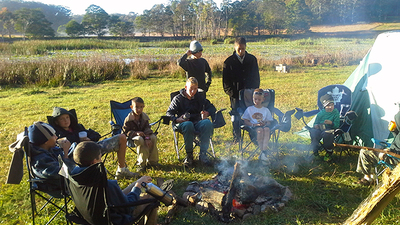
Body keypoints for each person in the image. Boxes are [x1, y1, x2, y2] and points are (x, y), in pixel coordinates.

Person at [71, 141, 158, 225]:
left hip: (90, 219)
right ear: (94, 162)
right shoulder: (106, 185)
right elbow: (128, 207)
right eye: (100, 157)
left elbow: (115, 198)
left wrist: (136, 183)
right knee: (151, 197)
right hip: (114, 220)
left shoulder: (74, 179)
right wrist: (137, 187)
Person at [47, 107, 137, 179]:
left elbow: (96, 135)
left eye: (67, 117)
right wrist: (79, 143)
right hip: (78, 156)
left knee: (121, 137)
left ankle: (122, 170)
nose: (66, 120)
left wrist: (89, 139)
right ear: (56, 122)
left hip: (93, 148)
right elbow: (65, 151)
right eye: (62, 119)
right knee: (100, 170)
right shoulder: (57, 135)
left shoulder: (77, 127)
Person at [166, 77, 216, 167]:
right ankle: (189, 156)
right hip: (182, 123)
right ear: (185, 87)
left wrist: (207, 113)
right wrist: (177, 119)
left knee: (207, 123)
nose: (193, 91)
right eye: (191, 89)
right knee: (188, 125)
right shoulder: (178, 99)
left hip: (197, 122)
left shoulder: (199, 97)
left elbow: (212, 107)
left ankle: (203, 154)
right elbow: (168, 114)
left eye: (195, 89)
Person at [223, 37, 260, 143]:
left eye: (243, 49)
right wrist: (234, 94)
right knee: (236, 117)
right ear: (235, 48)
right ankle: (237, 137)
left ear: (245, 47)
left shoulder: (252, 60)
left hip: (250, 95)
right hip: (235, 96)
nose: (241, 51)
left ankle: (253, 137)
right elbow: (226, 83)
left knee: (251, 114)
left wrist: (253, 92)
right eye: (238, 49)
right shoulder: (228, 62)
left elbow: (256, 78)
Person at [28, 121, 72, 197]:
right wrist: (66, 153)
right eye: (53, 136)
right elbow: (64, 174)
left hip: (67, 181)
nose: (56, 137)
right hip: (59, 187)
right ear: (46, 141)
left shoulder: (48, 149)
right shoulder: (40, 160)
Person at [356, 111, 400, 185]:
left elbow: (397, 151)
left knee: (364, 152)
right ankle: (372, 174)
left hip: (394, 159)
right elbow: (397, 141)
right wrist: (394, 131)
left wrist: (386, 153)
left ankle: (368, 178)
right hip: (392, 153)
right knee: (366, 150)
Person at [122, 97, 159, 173]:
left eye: (141, 107)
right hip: (132, 138)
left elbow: (147, 128)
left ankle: (153, 162)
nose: (139, 109)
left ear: (143, 107)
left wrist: (148, 137)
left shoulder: (144, 117)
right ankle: (141, 164)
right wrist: (135, 133)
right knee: (140, 139)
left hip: (145, 136)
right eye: (136, 107)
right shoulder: (128, 119)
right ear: (131, 107)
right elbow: (125, 133)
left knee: (153, 138)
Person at [241, 89, 273, 161]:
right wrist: (254, 124)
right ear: (252, 99)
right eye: (255, 99)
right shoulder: (249, 109)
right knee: (260, 130)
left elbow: (269, 122)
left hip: (264, 126)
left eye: (259, 99)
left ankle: (263, 152)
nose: (257, 101)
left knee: (267, 129)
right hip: (254, 127)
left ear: (263, 99)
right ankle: (264, 153)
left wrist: (265, 123)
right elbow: (245, 121)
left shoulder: (266, 110)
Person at [310, 94, 340, 161]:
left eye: (332, 105)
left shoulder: (335, 112)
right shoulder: (321, 114)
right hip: (320, 129)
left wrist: (331, 123)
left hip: (330, 129)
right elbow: (315, 123)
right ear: (324, 106)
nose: (330, 107)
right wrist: (316, 126)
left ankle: (328, 152)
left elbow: (337, 125)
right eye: (328, 105)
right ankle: (315, 151)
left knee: (327, 134)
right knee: (314, 132)